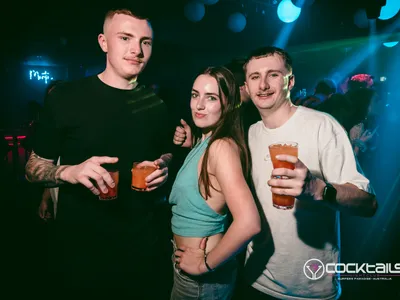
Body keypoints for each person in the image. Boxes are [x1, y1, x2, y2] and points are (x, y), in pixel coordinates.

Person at [25, 9, 174, 297]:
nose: (137, 50)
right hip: (80, 254)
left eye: (146, 42)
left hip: (140, 249)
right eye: (125, 38)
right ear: (104, 42)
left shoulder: (155, 104)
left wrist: (164, 165)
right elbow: (32, 168)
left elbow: (164, 152)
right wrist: (68, 172)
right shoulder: (66, 98)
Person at [241, 46, 377, 300]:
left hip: (310, 288)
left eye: (273, 75)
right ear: (247, 87)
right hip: (256, 279)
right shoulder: (250, 133)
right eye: (254, 77)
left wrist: (318, 189)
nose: (263, 84)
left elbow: (368, 204)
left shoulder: (322, 126)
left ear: (290, 81)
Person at [170, 66, 261, 299]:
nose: (198, 105)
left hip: (202, 280)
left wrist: (205, 265)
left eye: (210, 98)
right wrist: (192, 147)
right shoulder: (208, 140)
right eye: (194, 95)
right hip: (188, 272)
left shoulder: (221, 147)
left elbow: (250, 222)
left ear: (227, 104)